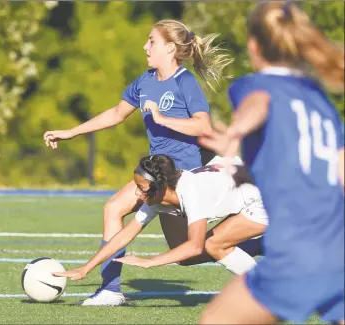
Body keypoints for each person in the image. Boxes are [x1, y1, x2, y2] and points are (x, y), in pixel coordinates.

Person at [43, 19, 233, 306]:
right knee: (114, 209)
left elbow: (203, 127)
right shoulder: (145, 81)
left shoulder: (185, 82)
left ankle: (246, 240)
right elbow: (117, 113)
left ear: (170, 48)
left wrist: (161, 118)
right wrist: (72, 132)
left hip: (183, 176)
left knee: (189, 253)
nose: (146, 46)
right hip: (155, 175)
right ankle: (110, 289)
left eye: (152, 41)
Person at [197, 2, 344, 324]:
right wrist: (250, 171)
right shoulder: (320, 100)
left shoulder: (255, 86)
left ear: (253, 46)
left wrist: (237, 130)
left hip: (299, 255)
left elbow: (260, 103)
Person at [53, 154, 268, 296]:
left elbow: (195, 245)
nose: (137, 193)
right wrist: (85, 268)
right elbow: (125, 234)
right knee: (208, 248)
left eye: (141, 187)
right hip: (247, 179)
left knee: (212, 246)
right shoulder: (158, 198)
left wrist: (150, 262)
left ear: (160, 186)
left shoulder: (191, 193)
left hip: (264, 196)